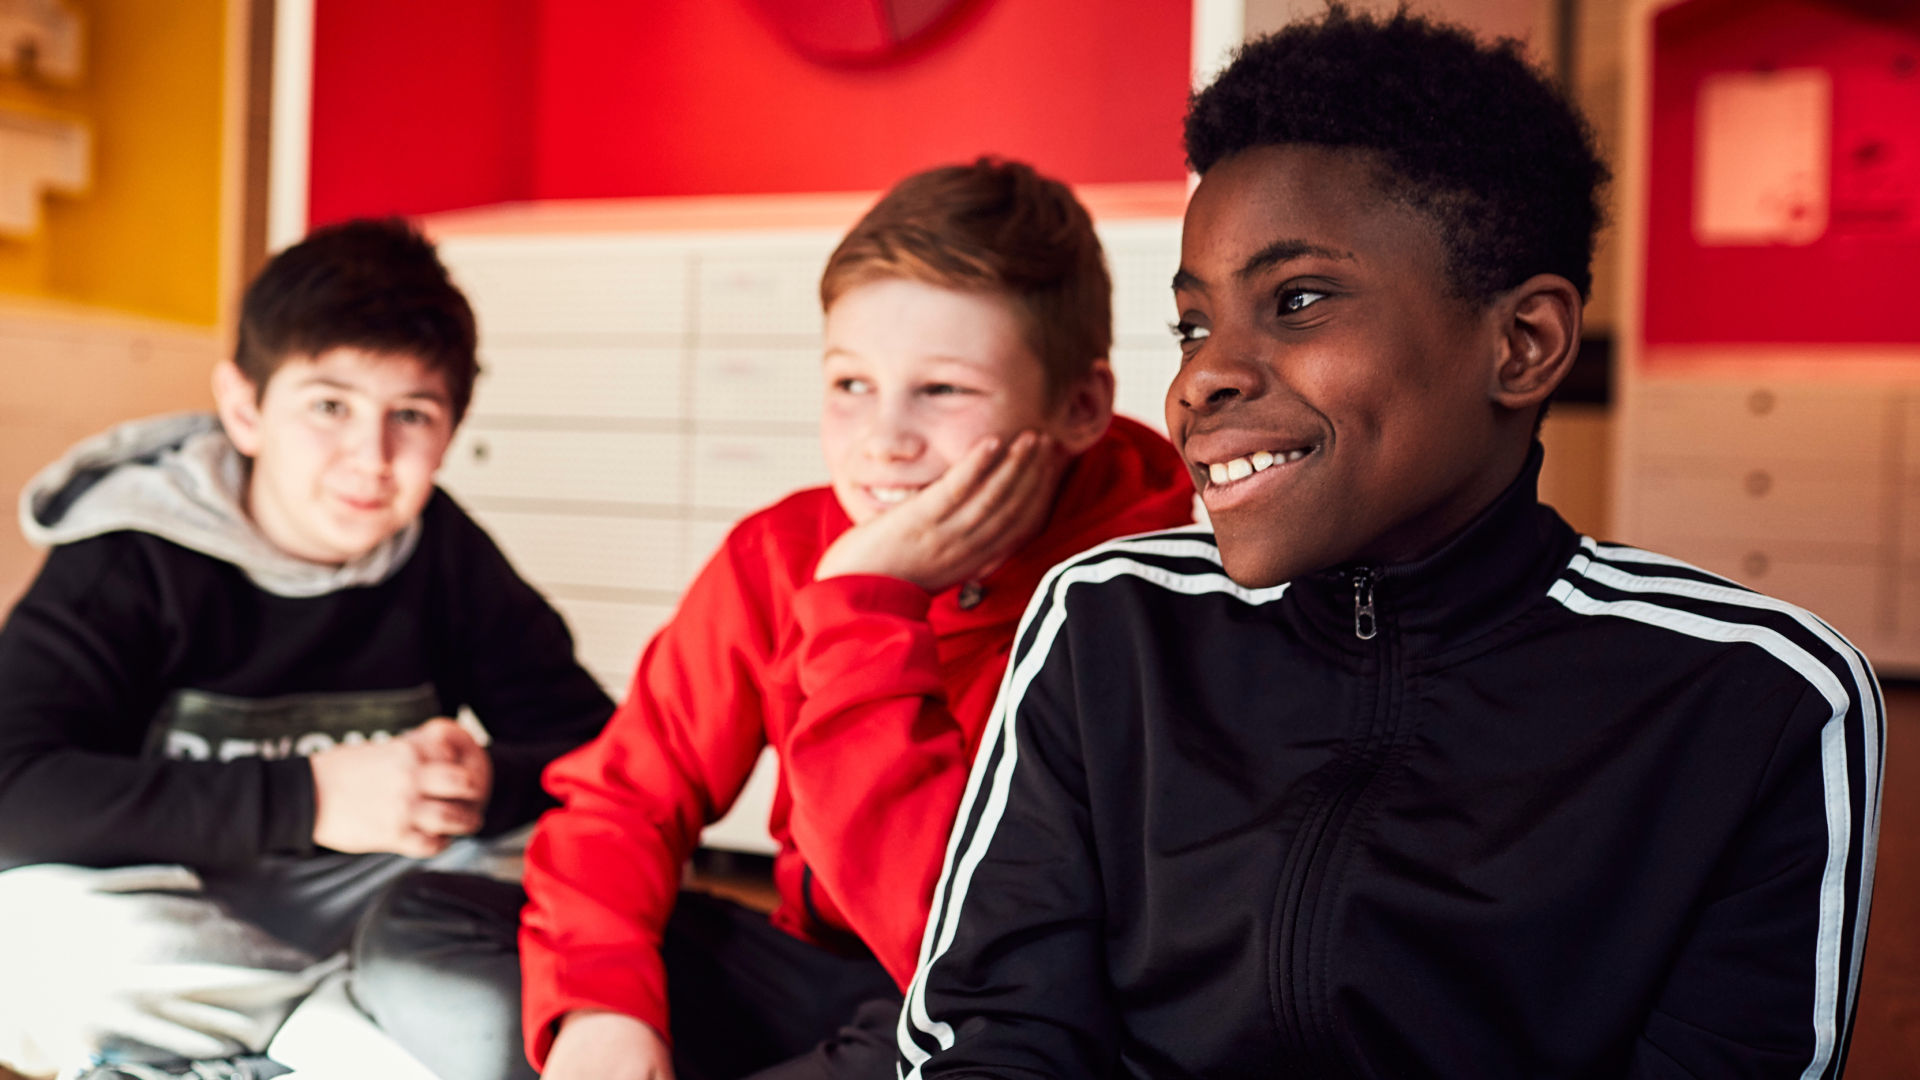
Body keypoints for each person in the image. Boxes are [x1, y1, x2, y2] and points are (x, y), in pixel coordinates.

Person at [895, 9, 1883, 1079]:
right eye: (1193, 325)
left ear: (1523, 343)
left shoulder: (1757, 698)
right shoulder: (1107, 621)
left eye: (1299, 300)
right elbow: (993, 1033)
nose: (1200, 380)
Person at [347, 157, 1195, 1080]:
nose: (883, 439)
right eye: (850, 385)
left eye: (942, 390)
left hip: (997, 998)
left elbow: (971, 943)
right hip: (815, 974)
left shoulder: (1143, 596)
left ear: (1079, 407)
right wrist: (600, 1011)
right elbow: (627, 799)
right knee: (420, 925)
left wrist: (866, 605)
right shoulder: (781, 552)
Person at [0, 219, 614, 1080]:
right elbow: (15, 790)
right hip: (169, 899)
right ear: (247, 409)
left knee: (556, 874)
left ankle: (236, 1052)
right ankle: (339, 1039)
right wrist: (312, 796)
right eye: (329, 407)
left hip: (367, 899)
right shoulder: (127, 552)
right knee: (22, 932)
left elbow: (598, 753)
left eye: (412, 415)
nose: (371, 458)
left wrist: (476, 785)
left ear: (451, 431)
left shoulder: (441, 551)